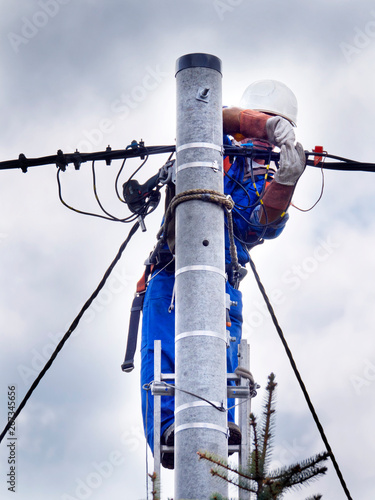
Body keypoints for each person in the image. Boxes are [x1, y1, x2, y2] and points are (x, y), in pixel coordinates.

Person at [140, 80, 306, 469]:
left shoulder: (265, 173)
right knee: (163, 351)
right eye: (264, 126)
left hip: (224, 278)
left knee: (223, 350)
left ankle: (218, 423)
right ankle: (168, 426)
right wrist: (261, 127)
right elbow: (203, 119)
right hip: (171, 274)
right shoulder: (214, 144)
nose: (266, 143)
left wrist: (285, 181)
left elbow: (259, 225)